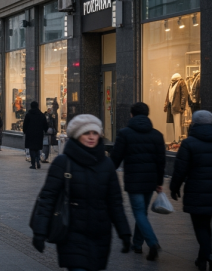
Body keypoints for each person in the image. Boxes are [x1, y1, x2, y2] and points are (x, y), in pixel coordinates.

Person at [30, 115, 131, 271]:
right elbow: (47, 198)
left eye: (95, 133)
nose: (91, 137)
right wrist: (40, 232)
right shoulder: (63, 162)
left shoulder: (106, 164)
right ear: (77, 135)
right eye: (86, 133)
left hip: (100, 234)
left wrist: (124, 232)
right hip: (71, 232)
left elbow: (115, 202)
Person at [110, 102, 165, 260]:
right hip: (150, 180)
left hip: (134, 180)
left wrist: (107, 172)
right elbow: (161, 161)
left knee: (139, 212)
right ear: (147, 114)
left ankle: (152, 242)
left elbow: (116, 157)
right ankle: (137, 244)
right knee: (143, 212)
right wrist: (159, 182)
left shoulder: (125, 133)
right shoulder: (157, 135)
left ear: (131, 115)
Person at [170, 110, 212, 270]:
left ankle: (206, 255)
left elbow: (180, 169)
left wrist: (174, 188)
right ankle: (203, 257)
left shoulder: (189, 143)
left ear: (193, 123)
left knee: (201, 226)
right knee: (207, 226)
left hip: (197, 192)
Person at [23, 101, 48, 169]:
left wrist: (25, 131)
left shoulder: (28, 114)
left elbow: (25, 124)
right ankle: (38, 161)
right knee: (37, 148)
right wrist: (45, 130)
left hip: (30, 134)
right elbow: (45, 125)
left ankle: (33, 164)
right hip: (39, 133)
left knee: (32, 148)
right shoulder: (41, 115)